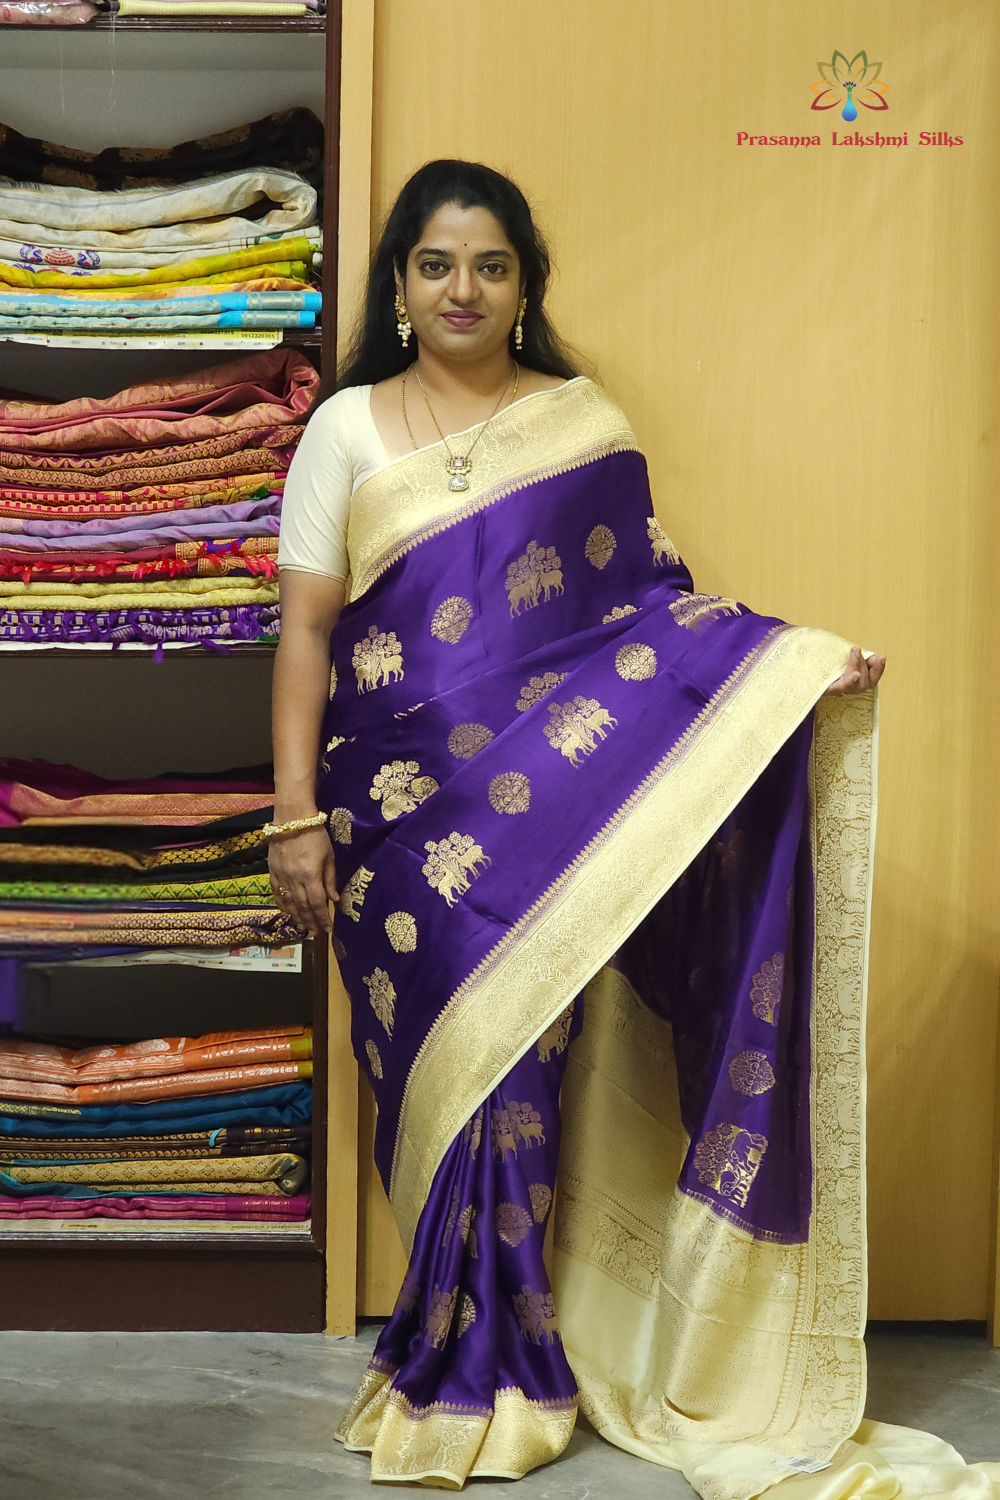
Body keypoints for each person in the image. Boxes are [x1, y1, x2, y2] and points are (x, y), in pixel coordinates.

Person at [269, 159, 991, 1497]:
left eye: (491, 266)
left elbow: (648, 618)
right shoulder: (347, 429)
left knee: (525, 1074)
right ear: (399, 285)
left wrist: (794, 672)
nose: (464, 289)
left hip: (548, 827)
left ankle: (520, 1369)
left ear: (525, 285)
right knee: (454, 1082)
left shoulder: (582, 425)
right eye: (437, 265)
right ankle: (459, 1355)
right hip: (397, 828)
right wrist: (295, 815)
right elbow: (307, 632)